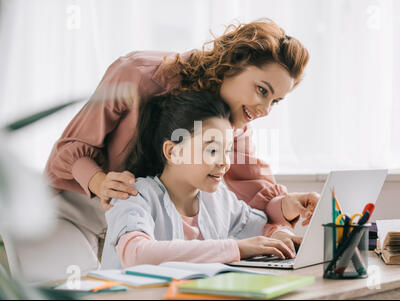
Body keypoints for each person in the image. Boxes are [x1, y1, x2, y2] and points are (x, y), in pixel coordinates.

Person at [45, 18, 319, 260]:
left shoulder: (233, 121)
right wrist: (100, 182)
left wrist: (285, 208)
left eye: (276, 102)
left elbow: (252, 191)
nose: (264, 110)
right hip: (73, 214)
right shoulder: (138, 75)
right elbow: (69, 149)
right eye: (262, 90)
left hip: (136, 222)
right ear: (234, 62)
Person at [102, 91, 301, 269]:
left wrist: (280, 236)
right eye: (212, 150)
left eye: (228, 150)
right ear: (173, 151)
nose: (225, 162)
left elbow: (259, 226)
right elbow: (136, 254)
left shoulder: (218, 199)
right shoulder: (134, 195)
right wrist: (236, 248)